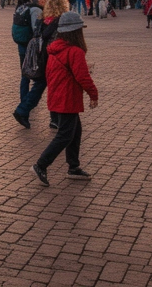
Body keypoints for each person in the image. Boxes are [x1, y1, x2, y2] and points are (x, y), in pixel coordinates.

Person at [33, 11, 99, 185]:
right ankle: (41, 164)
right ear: (76, 31)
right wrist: (94, 94)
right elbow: (83, 78)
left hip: (57, 96)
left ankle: (73, 166)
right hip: (68, 97)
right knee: (65, 135)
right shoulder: (75, 51)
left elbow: (62, 72)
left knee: (74, 132)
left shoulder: (55, 48)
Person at [15, 0, 68, 129]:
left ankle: (24, 110)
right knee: (52, 87)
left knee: (40, 85)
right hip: (51, 57)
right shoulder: (59, 21)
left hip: (41, 56)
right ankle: (52, 117)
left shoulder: (42, 18)